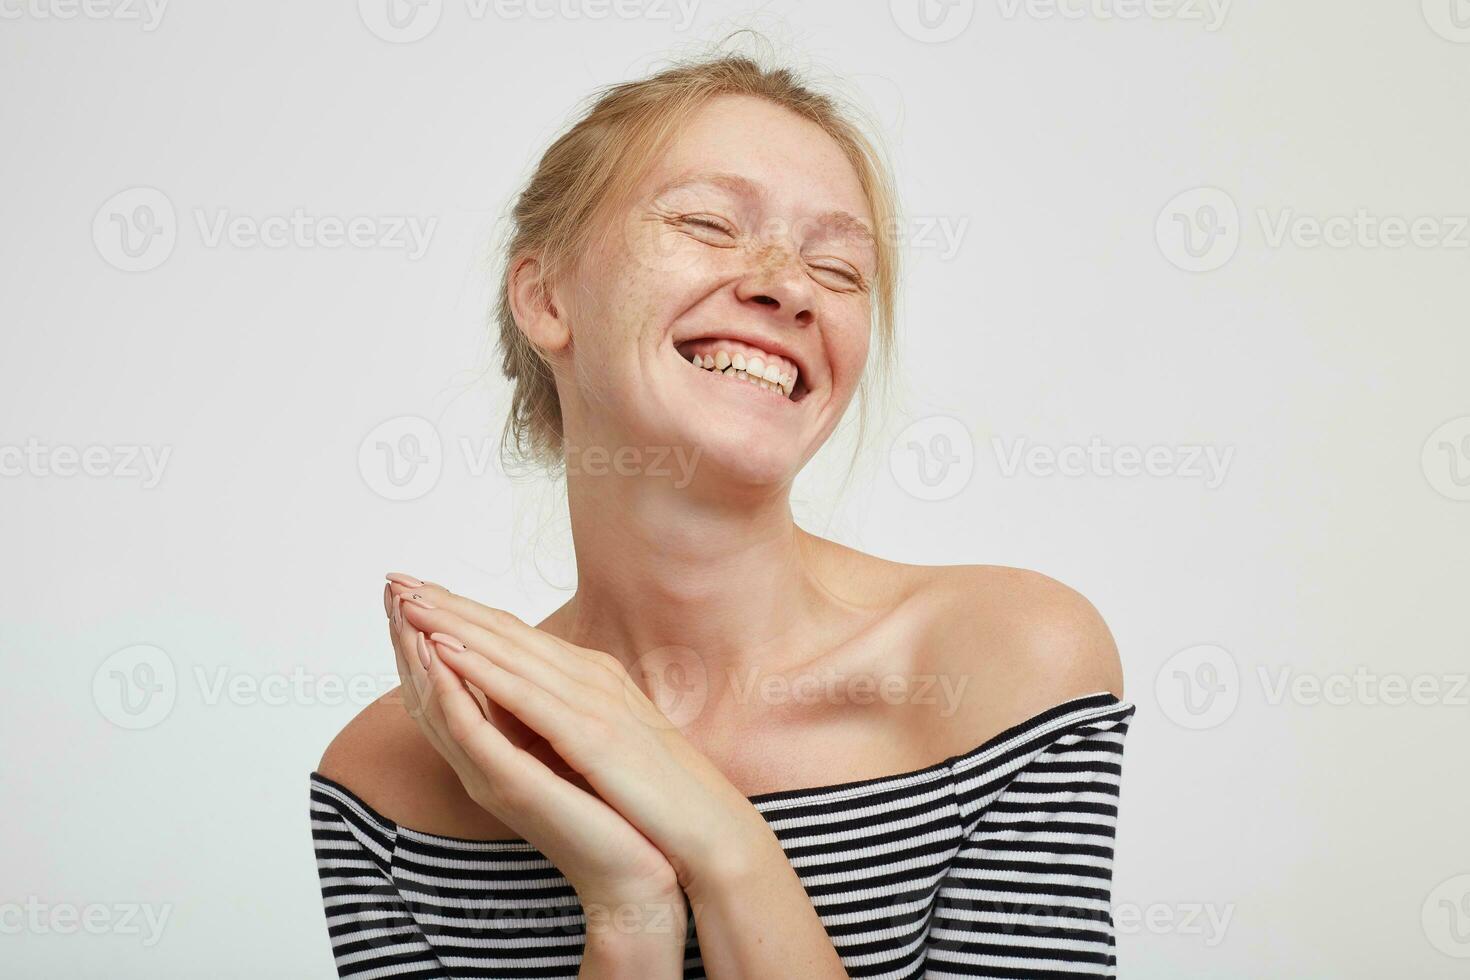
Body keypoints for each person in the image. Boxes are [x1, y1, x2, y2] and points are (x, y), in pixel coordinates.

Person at [310, 49, 1135, 979]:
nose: (789, 285)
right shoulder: (394, 780)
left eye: (840, 268)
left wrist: (720, 844)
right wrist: (627, 910)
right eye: (707, 223)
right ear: (546, 298)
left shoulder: (1007, 665)